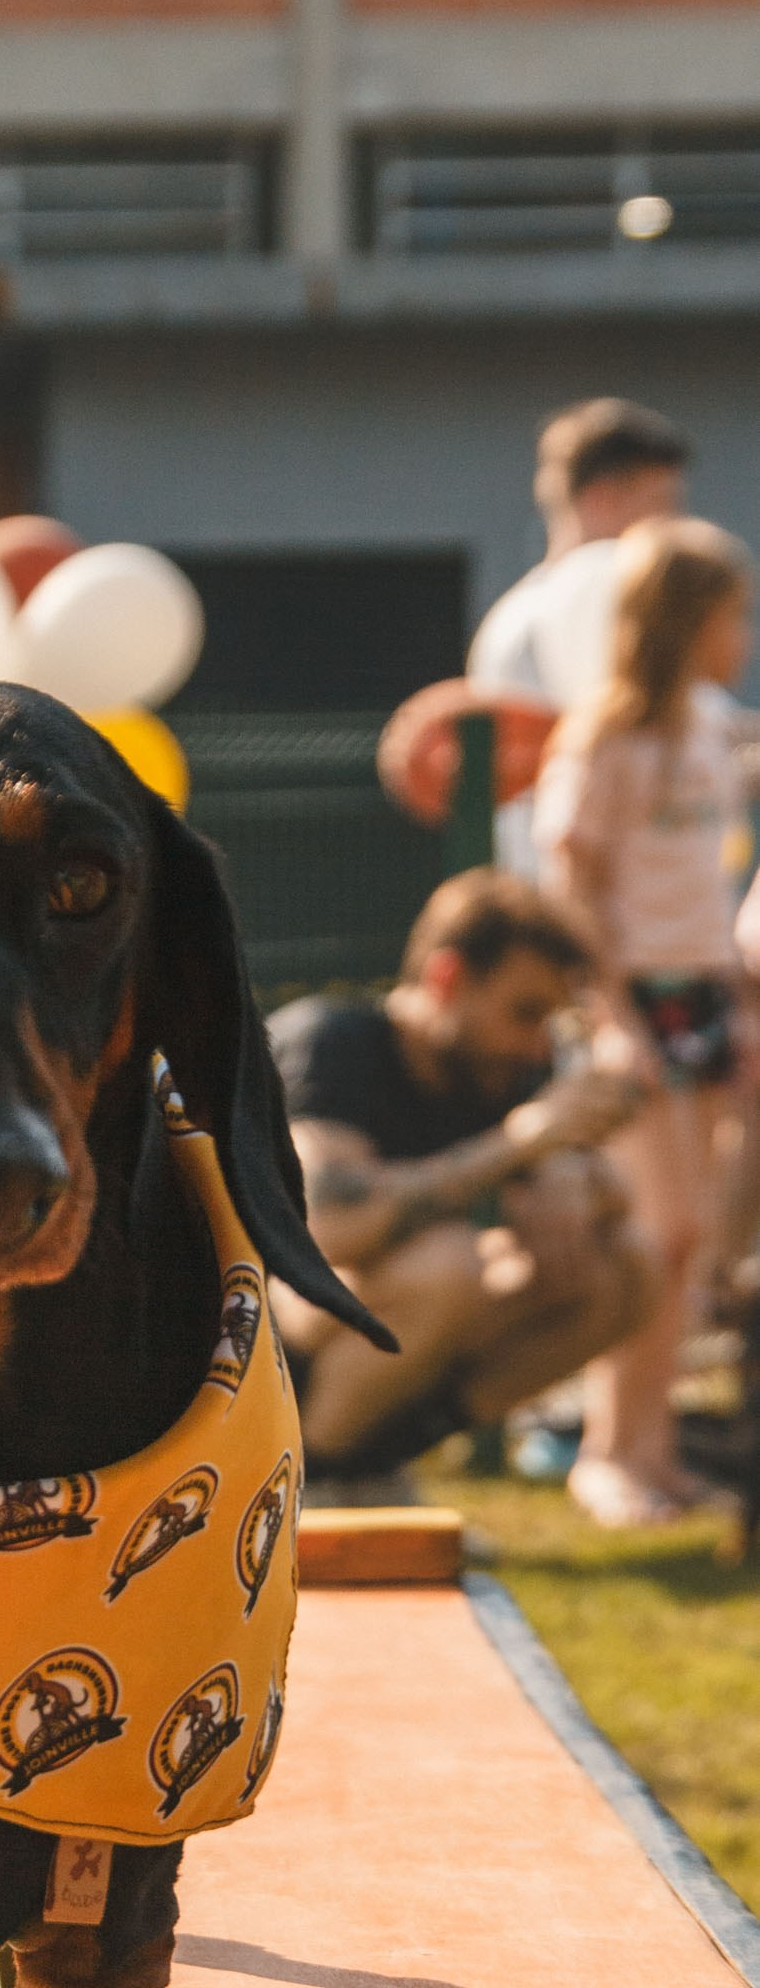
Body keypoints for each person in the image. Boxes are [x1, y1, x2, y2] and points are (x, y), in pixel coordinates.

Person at [268, 871, 652, 1485]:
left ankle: (374, 1466)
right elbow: (327, 1229)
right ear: (447, 978)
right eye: (526, 1012)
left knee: (627, 1268)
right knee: (448, 1267)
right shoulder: (334, 1042)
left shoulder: (500, 1066)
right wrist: (519, 1144)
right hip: (243, 1334)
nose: (537, 1044)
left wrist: (569, 1172)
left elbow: (618, 1201)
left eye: (551, 1019)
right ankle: (311, 1486)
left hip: (366, 1323)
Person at [534, 516, 760, 1526]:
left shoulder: (709, 727)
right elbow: (574, 886)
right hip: (636, 1002)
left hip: (708, 992)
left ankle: (660, 1452)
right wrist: (613, 1014)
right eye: (730, 615)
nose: (742, 635)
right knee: (658, 1233)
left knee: (697, 1239)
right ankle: (608, 1451)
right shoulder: (605, 737)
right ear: (683, 620)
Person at [468, 400, 692, 874]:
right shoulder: (607, 583)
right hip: (609, 900)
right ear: (603, 498)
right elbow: (651, 739)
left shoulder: (508, 615)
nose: (674, 530)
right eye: (661, 506)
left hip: (540, 890)